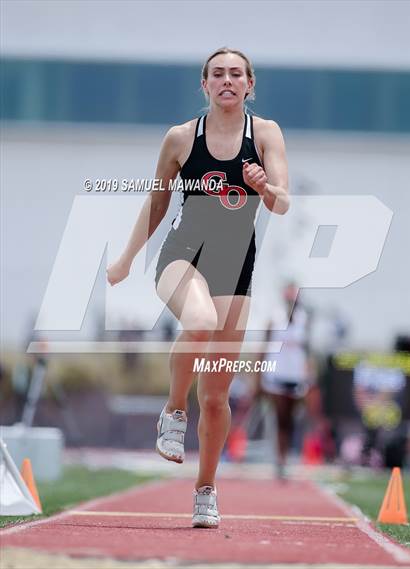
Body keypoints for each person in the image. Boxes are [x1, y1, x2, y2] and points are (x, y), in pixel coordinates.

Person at [107, 47, 289, 528]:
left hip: (236, 270)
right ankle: (171, 411)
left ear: (250, 84)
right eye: (217, 74)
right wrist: (126, 259)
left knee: (214, 398)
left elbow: (282, 203)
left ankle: (205, 490)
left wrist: (263, 185)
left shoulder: (265, 134)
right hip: (182, 256)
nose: (226, 80)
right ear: (203, 85)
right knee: (200, 320)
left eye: (236, 74)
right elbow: (156, 203)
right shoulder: (181, 139)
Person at [258, 282, 316, 478]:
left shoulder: (304, 319)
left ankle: (285, 456)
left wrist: (309, 374)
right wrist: (258, 374)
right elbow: (264, 345)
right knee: (280, 416)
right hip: (276, 373)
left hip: (296, 375)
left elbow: (307, 349)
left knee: (290, 419)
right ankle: (279, 458)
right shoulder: (274, 317)